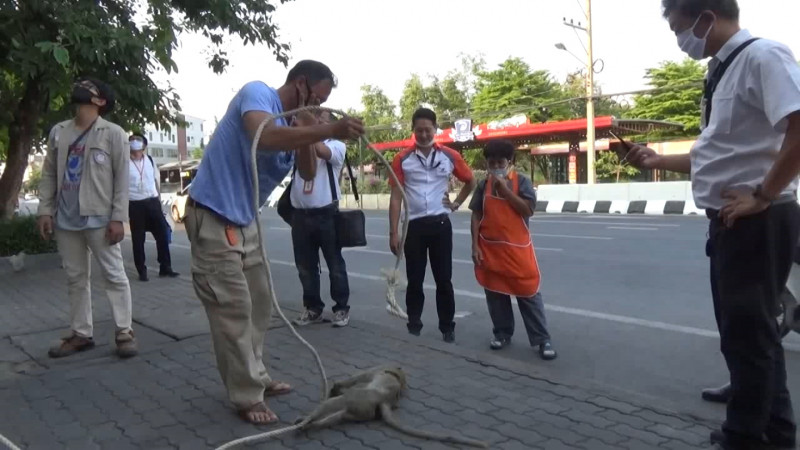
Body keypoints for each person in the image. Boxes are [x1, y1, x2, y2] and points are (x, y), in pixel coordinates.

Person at [627, 1, 800, 447]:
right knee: (746, 331)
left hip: (758, 219)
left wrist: (762, 194)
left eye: (677, 27)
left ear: (705, 17)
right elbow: (720, 152)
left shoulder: (764, 56)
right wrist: (658, 159)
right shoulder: (722, 69)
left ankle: (744, 434)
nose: (679, 39)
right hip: (730, 220)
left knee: (749, 333)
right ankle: (774, 424)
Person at [185, 60, 364, 425]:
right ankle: (246, 395)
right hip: (213, 215)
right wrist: (328, 127)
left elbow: (310, 172)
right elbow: (261, 136)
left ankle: (258, 375)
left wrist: (312, 130)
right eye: (316, 97)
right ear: (300, 84)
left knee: (261, 303)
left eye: (324, 102)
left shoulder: (296, 126)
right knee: (232, 309)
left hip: (245, 220)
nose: (318, 106)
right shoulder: (258, 94)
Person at [36, 78, 138, 359]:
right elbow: (48, 174)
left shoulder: (114, 134)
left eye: (87, 87)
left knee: (114, 275)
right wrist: (45, 210)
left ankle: (124, 331)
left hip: (100, 218)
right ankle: (81, 333)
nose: (79, 87)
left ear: (100, 101)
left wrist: (118, 218)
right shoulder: (59, 132)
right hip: (65, 219)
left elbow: (122, 181)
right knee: (75, 277)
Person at [388, 108, 476, 342]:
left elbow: (471, 181)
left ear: (435, 130)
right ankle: (414, 324)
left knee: (443, 279)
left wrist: (456, 203)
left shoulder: (449, 156)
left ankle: (447, 327)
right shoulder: (402, 159)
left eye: (428, 130)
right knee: (415, 280)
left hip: (440, 225)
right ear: (413, 131)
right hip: (413, 228)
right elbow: (396, 197)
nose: (424, 134)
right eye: (419, 130)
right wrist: (393, 232)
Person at [469, 140, 556, 360]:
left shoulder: (522, 183)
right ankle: (502, 333)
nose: (496, 166)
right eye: (492, 162)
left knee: (528, 293)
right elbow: (476, 214)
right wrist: (475, 245)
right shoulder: (482, 186)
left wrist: (505, 191)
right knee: (495, 294)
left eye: (500, 162)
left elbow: (527, 209)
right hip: (490, 250)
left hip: (518, 253)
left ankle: (542, 339)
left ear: (510, 162)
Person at [290, 111, 352, 328]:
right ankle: (313, 308)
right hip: (300, 215)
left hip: (326, 214)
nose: (316, 123)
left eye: (321, 121)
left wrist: (308, 129)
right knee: (305, 266)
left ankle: (341, 308)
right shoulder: (300, 145)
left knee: (334, 264)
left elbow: (321, 149)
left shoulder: (336, 146)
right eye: (314, 120)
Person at [128, 133, 179, 281]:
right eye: (131, 141)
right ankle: (141, 271)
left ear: (144, 145)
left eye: (137, 140)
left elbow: (157, 182)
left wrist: (159, 201)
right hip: (135, 204)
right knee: (138, 239)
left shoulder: (150, 160)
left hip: (153, 202)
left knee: (162, 235)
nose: (135, 143)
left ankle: (165, 267)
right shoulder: (124, 163)